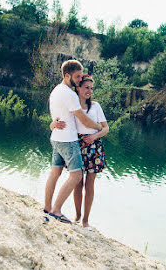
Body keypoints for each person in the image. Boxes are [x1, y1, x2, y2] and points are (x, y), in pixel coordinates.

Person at [44, 60, 102, 224]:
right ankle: (56, 210)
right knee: (76, 175)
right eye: (77, 77)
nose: (79, 79)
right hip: (68, 140)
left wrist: (53, 124)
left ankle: (47, 207)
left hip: (56, 137)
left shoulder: (56, 91)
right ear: (67, 75)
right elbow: (83, 118)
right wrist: (98, 127)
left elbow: (56, 116)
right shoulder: (69, 94)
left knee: (54, 173)